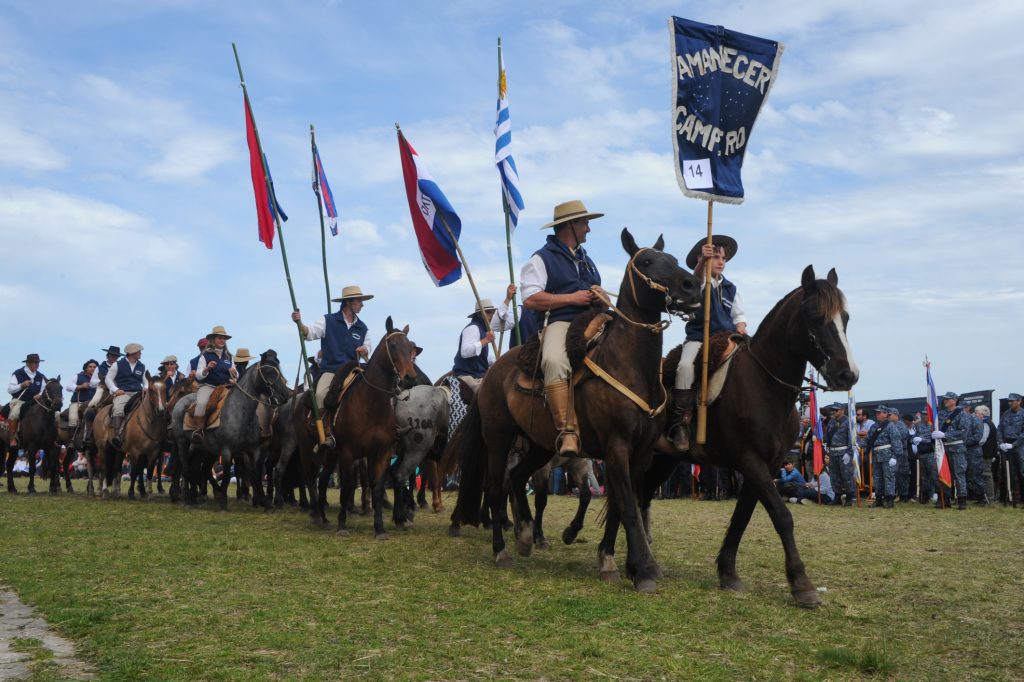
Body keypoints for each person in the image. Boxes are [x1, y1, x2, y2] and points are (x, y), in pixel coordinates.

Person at [520, 200, 604, 457]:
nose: (589, 229)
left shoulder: (587, 260)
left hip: (595, 319)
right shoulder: (541, 258)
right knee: (554, 360)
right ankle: (567, 430)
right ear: (570, 225)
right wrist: (571, 299)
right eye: (585, 223)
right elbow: (531, 299)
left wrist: (600, 297)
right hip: (561, 322)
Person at [668, 235, 745, 451]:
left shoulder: (731, 288)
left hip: (726, 337)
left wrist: (741, 327)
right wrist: (702, 260)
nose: (721, 262)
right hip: (699, 337)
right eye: (716, 257)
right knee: (684, 366)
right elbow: (697, 279)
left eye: (724, 258)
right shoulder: (698, 282)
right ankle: (680, 423)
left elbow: (739, 316)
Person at [291, 285, 373, 414]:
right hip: (331, 371)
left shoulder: (363, 328)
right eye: (359, 301)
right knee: (319, 395)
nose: (362, 304)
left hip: (353, 371)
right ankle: (323, 428)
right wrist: (299, 323)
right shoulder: (327, 320)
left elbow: (367, 348)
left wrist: (365, 350)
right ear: (348, 302)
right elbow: (310, 333)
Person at [452, 285, 517, 393]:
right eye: (488, 312)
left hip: (478, 376)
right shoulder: (473, 328)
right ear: (479, 314)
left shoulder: (483, 328)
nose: (491, 315)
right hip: (468, 377)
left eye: (492, 312)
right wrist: (485, 341)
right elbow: (465, 352)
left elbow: (500, 315)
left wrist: (508, 299)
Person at [192, 326, 238, 440]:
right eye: (219, 338)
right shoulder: (205, 355)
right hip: (209, 386)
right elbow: (198, 374)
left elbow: (236, 375)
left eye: (224, 338)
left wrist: (234, 373)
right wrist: (206, 369)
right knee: (201, 403)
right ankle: (198, 430)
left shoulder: (229, 356)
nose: (222, 340)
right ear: (213, 340)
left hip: (226, 387)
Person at [933, 391, 972, 510]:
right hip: (943, 448)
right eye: (944, 399)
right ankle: (945, 499)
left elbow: (963, 432)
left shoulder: (962, 414)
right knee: (943, 473)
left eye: (948, 399)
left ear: (954, 400)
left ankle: (962, 500)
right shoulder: (940, 414)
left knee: (958, 474)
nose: (945, 401)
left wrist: (945, 434)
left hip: (956, 448)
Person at [104, 343, 148, 448]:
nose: (140, 353)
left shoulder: (142, 366)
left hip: (138, 393)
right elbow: (108, 379)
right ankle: (118, 435)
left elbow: (146, 381)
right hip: (124, 393)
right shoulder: (117, 364)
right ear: (132, 353)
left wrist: (146, 387)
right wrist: (116, 390)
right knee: (118, 409)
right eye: (139, 352)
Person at [6, 353, 47, 447]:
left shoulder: (40, 376)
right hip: (20, 400)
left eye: (38, 362)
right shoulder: (18, 373)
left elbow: (43, 390)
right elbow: (10, 389)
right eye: (35, 362)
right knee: (14, 413)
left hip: (35, 402)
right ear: (28, 363)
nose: (37, 364)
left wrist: (39, 395)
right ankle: (12, 437)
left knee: (50, 413)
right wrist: (21, 385)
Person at [865, 406, 898, 508]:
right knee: (877, 477)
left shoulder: (890, 426)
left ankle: (889, 500)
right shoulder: (874, 426)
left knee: (888, 477)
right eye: (876, 413)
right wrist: (856, 445)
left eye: (879, 413)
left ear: (886, 414)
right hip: (876, 455)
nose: (877, 414)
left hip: (887, 455)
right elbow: (868, 439)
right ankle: (878, 499)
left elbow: (896, 442)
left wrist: (894, 456)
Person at [825, 402, 855, 505]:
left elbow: (852, 439)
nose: (834, 412)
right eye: (833, 410)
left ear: (842, 410)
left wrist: (849, 453)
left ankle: (849, 497)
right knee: (834, 476)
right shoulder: (831, 422)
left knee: (846, 476)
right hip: (832, 452)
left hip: (844, 452)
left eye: (836, 410)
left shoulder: (848, 422)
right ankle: (837, 497)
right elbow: (828, 436)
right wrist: (826, 447)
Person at [997, 392, 1024, 506]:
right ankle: (1009, 498)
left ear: (1019, 401)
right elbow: (999, 429)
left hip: (1020, 447)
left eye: (1013, 401)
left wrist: (1014, 444)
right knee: (1008, 473)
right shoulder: (1005, 414)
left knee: (1022, 472)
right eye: (1009, 401)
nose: (1010, 403)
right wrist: (1001, 443)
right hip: (1006, 446)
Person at [64, 359, 98, 445]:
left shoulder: (99, 379)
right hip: (78, 402)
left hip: (93, 404)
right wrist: (80, 386)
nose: (92, 368)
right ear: (86, 368)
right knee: (73, 419)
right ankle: (71, 441)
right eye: (90, 367)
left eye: (94, 367)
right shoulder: (78, 376)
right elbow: (68, 387)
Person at [963, 405, 988, 505]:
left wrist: (963, 441)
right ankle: (968, 495)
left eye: (964, 409)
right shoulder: (962, 419)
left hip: (974, 451)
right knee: (964, 474)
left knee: (976, 475)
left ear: (969, 409)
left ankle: (981, 498)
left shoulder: (976, 420)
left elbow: (977, 437)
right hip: (963, 451)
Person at [87, 346, 122, 412]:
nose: (114, 358)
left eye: (116, 356)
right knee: (92, 405)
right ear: (107, 356)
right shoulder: (100, 368)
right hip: (103, 390)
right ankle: (90, 412)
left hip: (117, 390)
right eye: (112, 355)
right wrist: (102, 382)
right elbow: (92, 383)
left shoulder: (121, 368)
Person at [887, 407, 911, 502]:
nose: (888, 416)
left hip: (901, 453)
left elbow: (903, 436)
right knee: (892, 474)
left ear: (896, 415)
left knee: (902, 474)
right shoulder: (888, 425)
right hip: (891, 452)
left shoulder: (900, 425)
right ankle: (893, 494)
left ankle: (903, 495)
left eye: (890, 415)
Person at [974, 405, 996, 504]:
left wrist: (972, 443)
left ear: (982, 414)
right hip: (985, 452)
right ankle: (985, 497)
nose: (974, 414)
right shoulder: (986, 422)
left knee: (986, 475)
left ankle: (990, 498)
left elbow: (982, 439)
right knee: (984, 474)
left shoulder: (986, 423)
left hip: (986, 453)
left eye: (976, 412)